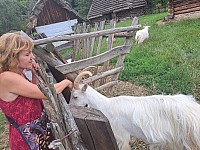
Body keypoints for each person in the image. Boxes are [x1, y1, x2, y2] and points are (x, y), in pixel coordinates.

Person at [0, 32, 73, 150]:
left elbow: (33, 95)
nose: (32, 57)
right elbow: (45, 94)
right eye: (27, 54)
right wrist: (66, 82)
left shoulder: (18, 74)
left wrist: (34, 74)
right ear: (13, 56)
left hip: (37, 131)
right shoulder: (7, 78)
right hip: (27, 138)